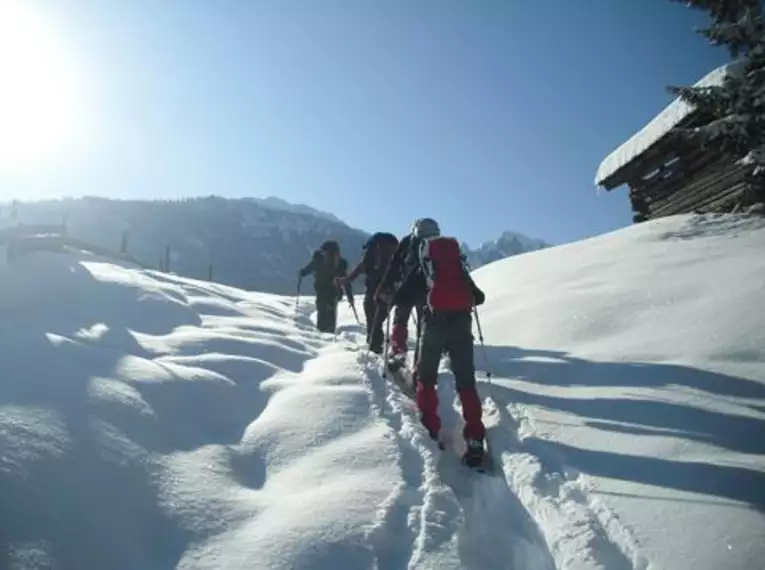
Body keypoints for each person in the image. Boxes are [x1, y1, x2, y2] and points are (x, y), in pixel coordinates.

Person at [391, 219, 487, 467]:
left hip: (433, 325)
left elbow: (402, 297)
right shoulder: (457, 263)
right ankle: (475, 437)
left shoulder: (424, 261)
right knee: (466, 382)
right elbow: (479, 297)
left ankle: (431, 427)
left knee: (427, 377)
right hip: (462, 326)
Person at [375, 219, 440, 361]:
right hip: (429, 290)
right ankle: (422, 360)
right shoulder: (439, 244)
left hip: (407, 286)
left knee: (400, 317)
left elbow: (394, 265)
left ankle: (399, 350)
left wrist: (385, 286)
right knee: (425, 325)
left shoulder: (407, 241)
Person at [338, 232, 399, 354]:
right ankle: (375, 345)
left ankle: (374, 346)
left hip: (372, 292)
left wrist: (346, 280)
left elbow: (359, 269)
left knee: (373, 320)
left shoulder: (370, 257)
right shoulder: (394, 258)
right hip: (389, 293)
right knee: (378, 320)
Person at [298, 240, 353, 333]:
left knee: (322, 311)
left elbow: (308, 269)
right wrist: (350, 296)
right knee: (331, 312)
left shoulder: (318, 259)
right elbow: (346, 281)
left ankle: (321, 331)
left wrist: (301, 273)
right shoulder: (340, 263)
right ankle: (330, 331)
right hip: (334, 292)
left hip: (321, 290)